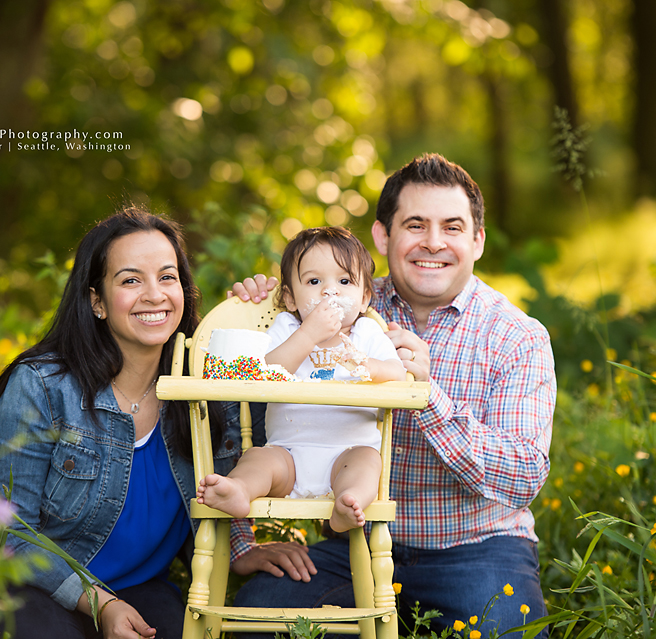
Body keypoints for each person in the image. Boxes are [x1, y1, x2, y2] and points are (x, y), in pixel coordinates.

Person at [230, 154, 556, 637]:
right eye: (415, 225)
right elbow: (231, 406)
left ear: (477, 241)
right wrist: (252, 316)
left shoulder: (517, 336)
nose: (434, 243)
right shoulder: (331, 296)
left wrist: (426, 399)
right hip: (353, 539)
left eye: (452, 227)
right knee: (257, 622)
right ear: (383, 237)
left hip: (475, 549)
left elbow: (523, 478)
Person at [0, 207, 316, 639]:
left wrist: (266, 319)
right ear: (97, 301)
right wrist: (102, 605)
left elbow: (272, 432)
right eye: (129, 280)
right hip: (44, 588)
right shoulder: (43, 387)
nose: (154, 294)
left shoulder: (206, 385)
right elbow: (10, 533)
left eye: (167, 277)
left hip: (142, 588)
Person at [197, 227, 406, 533]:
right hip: (288, 456)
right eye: (314, 281)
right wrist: (308, 335)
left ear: (364, 299)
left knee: (368, 462)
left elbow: (398, 375)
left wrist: (366, 365)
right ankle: (241, 490)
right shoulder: (286, 327)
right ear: (290, 298)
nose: (329, 291)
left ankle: (349, 503)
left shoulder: (367, 334)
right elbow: (263, 372)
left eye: (344, 281)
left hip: (347, 453)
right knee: (257, 458)